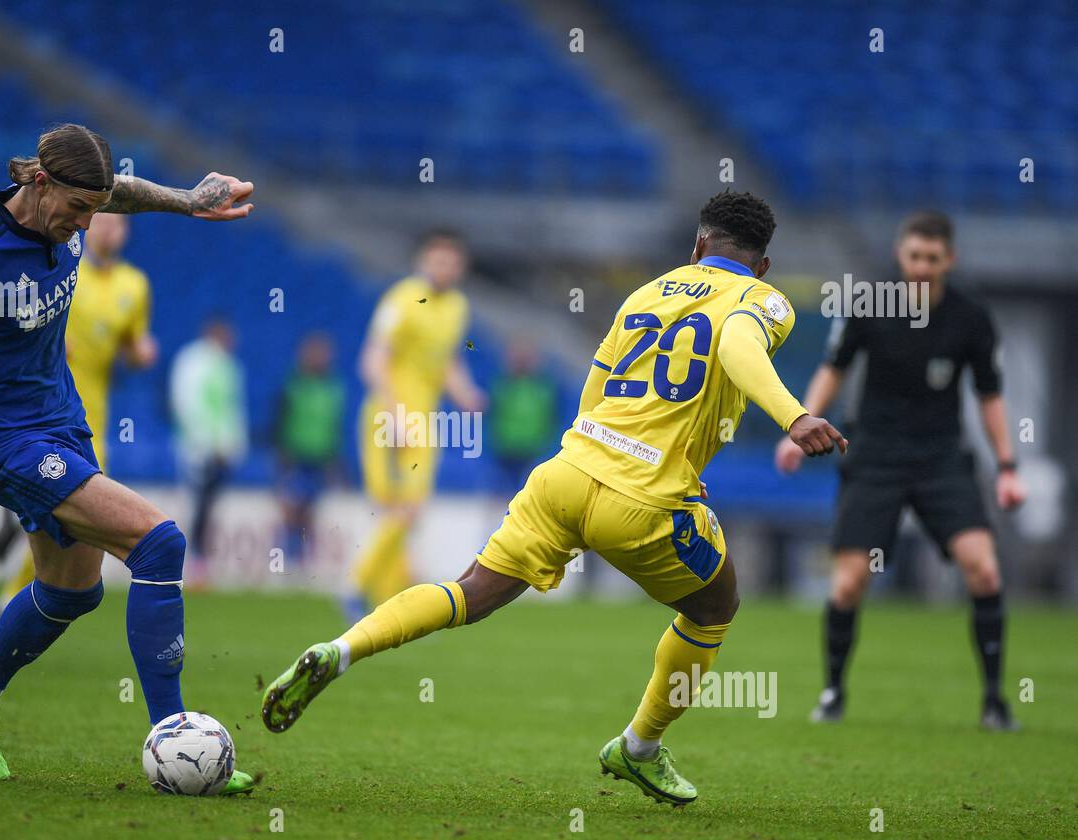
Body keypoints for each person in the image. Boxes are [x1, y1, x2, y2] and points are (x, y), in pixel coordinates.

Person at [261, 191, 848, 805]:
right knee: (715, 607)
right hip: (644, 500)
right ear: (763, 265)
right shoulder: (764, 299)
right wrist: (793, 415)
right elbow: (735, 348)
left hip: (565, 472)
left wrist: (597, 451)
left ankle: (342, 647)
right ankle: (639, 748)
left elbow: (595, 388)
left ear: (697, 246)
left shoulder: (648, 293)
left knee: (469, 592)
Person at [0, 123, 256, 791]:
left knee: (70, 592)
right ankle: (176, 741)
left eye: (93, 208)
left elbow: (122, 193)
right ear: (38, 183)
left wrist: (189, 201)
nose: (87, 221)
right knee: (159, 543)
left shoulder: (76, 201)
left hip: (59, 421)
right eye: (78, 209)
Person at [774, 210, 1026, 730]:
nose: (922, 267)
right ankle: (832, 693)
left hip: (940, 458)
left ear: (948, 260)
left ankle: (995, 702)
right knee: (847, 585)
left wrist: (1007, 467)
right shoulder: (869, 306)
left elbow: (990, 396)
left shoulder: (970, 318)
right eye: (914, 256)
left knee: (982, 568)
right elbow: (834, 368)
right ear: (900, 255)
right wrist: (796, 428)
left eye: (933, 258)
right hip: (875, 455)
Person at [0, 211, 157, 622]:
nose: (109, 230)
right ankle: (14, 524)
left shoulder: (134, 285)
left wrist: (140, 353)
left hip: (91, 418)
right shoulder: (62, 267)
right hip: (41, 406)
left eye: (118, 224)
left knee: (72, 520)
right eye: (102, 222)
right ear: (87, 226)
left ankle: (9, 595)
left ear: (126, 233)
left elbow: (131, 345)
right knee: (56, 506)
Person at [346, 229, 485, 618]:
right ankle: (385, 590)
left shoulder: (457, 307)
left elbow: (446, 363)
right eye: (438, 260)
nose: (444, 268)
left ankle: (361, 590)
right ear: (423, 262)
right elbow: (372, 361)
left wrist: (467, 395)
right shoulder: (402, 299)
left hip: (425, 421)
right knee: (391, 507)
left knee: (409, 510)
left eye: (452, 262)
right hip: (386, 416)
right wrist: (395, 413)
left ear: (460, 268)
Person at [168, 318, 247, 586]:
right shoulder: (193, 361)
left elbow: (231, 410)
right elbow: (186, 404)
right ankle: (188, 565)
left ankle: (200, 564)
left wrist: (231, 446)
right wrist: (203, 444)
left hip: (220, 451)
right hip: (198, 450)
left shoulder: (228, 366)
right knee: (196, 505)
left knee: (208, 507)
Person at [273, 332, 344, 567]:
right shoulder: (293, 386)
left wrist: (333, 461)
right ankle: (286, 553)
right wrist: (283, 455)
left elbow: (334, 427)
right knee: (293, 505)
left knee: (311, 508)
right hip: (296, 456)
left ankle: (303, 557)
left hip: (319, 457)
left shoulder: (333, 390)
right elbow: (280, 421)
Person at [489, 339, 559, 494]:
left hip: (532, 447)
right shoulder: (502, 384)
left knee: (527, 489)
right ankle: (500, 517)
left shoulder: (543, 387)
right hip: (505, 446)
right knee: (500, 489)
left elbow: (551, 417)